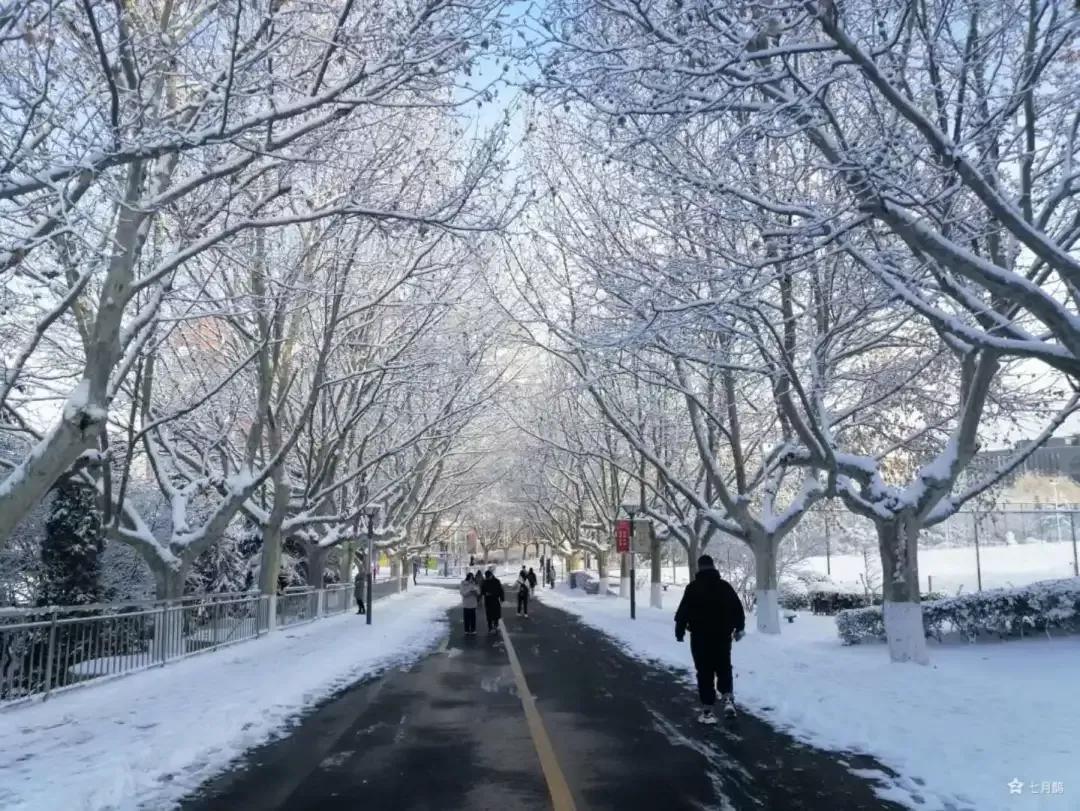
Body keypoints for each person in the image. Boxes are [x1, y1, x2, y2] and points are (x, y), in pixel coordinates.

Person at [674, 554, 746, 724]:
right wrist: (739, 628)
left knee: (704, 672)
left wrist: (679, 632)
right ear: (714, 567)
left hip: (700, 638)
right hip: (722, 636)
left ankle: (708, 711)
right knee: (724, 667)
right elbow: (738, 608)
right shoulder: (724, 587)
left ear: (699, 568)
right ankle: (727, 697)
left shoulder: (693, 588)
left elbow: (683, 612)